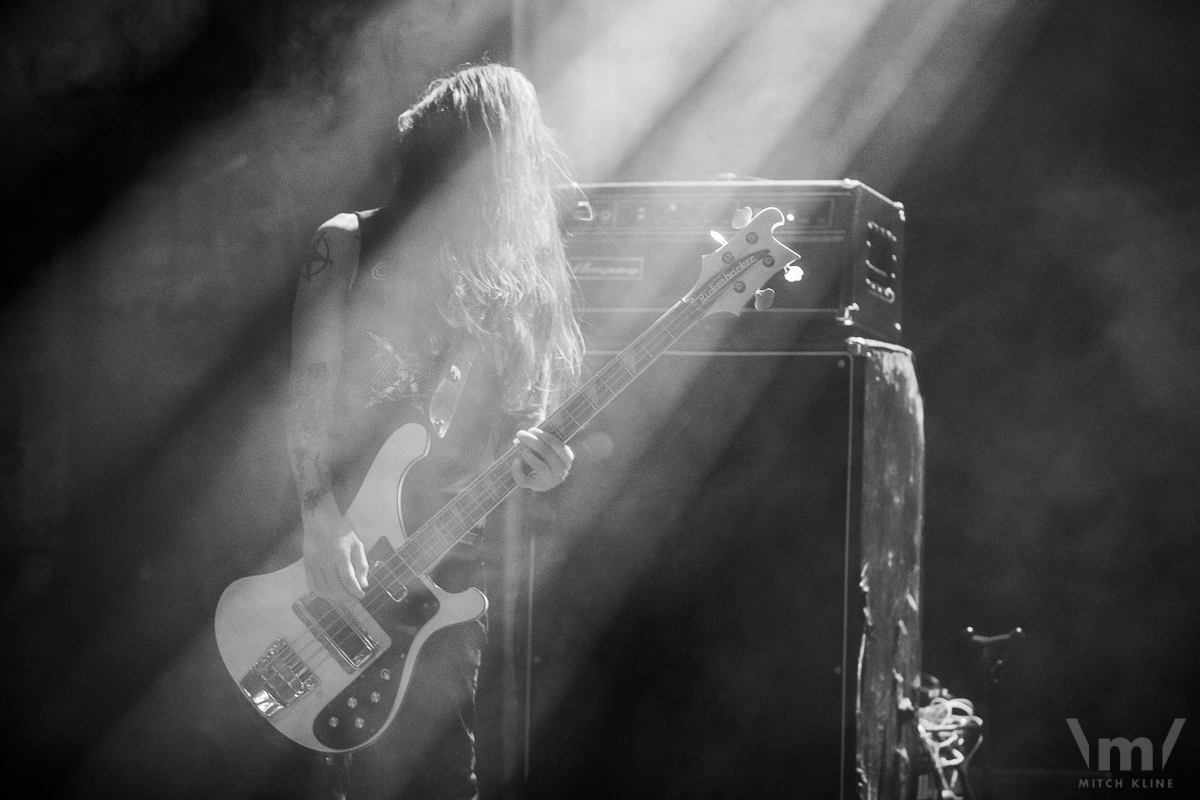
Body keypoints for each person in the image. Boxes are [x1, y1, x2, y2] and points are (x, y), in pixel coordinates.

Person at [286, 63, 584, 800]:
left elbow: (530, 426)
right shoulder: (348, 243)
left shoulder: (525, 282)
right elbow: (308, 395)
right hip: (330, 554)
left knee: (436, 776)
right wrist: (319, 520)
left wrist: (547, 463)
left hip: (443, 572)